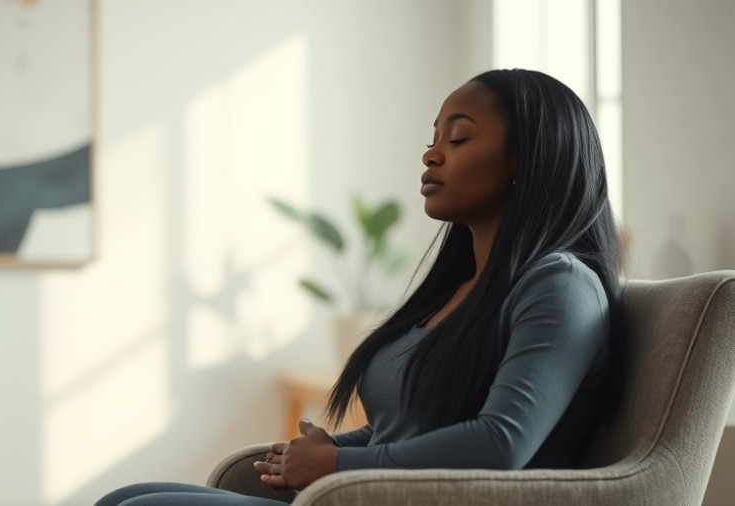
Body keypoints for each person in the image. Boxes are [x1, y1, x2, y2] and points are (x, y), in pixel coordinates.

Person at [95, 68, 622, 505]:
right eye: (432, 138)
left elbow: (501, 443)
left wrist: (340, 462)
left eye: (457, 138)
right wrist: (324, 453)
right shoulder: (462, 289)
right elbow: (406, 429)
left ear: (529, 159)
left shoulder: (560, 285)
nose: (431, 155)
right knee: (124, 498)